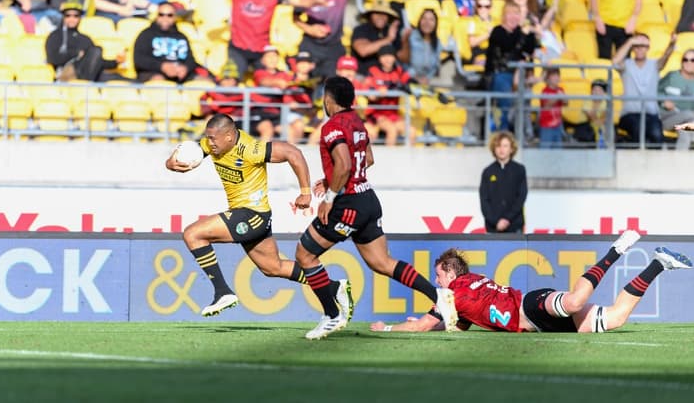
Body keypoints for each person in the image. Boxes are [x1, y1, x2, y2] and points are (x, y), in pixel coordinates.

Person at [294, 76, 440, 340]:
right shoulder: (357, 123)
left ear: (328, 99)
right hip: (368, 199)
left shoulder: (332, 127)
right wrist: (331, 178)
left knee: (305, 254)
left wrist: (329, 195)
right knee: (381, 262)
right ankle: (438, 296)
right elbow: (367, 159)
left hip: (347, 203)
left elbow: (346, 165)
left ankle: (331, 314)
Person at [165, 112, 332, 317]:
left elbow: (292, 152)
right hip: (251, 216)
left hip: (251, 215)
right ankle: (332, 287)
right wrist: (170, 163)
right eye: (207, 138)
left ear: (228, 136)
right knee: (273, 268)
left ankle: (222, 292)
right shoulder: (213, 145)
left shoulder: (251, 149)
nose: (209, 143)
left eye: (212, 139)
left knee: (193, 234)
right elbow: (184, 155)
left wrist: (305, 192)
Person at [369, 233, 692, 333]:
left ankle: (615, 250)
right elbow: (449, 323)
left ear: (451, 274)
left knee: (575, 303)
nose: (435, 280)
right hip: (539, 324)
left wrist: (386, 328)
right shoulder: (468, 285)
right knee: (616, 318)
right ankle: (658, 264)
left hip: (530, 304)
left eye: (438, 274)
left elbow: (428, 324)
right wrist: (427, 321)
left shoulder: (454, 292)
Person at [206, 0, 319, 78]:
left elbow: (299, 1)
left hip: (261, 50)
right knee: (231, 80)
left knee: (267, 82)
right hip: (238, 47)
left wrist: (319, 1)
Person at [612, 32, 675, 148]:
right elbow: (615, 61)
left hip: (651, 114)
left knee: (656, 135)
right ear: (633, 48)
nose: (640, 49)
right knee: (638, 129)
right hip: (629, 114)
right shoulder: (626, 64)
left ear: (648, 48)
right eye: (637, 45)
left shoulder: (654, 64)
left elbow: (665, 57)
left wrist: (672, 44)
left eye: (643, 45)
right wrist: (630, 41)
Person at [484, 0, 538, 131]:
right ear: (504, 15)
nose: (513, 17)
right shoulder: (498, 32)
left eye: (516, 13)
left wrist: (530, 31)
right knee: (504, 105)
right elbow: (507, 50)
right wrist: (522, 37)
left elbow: (530, 51)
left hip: (520, 76)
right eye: (510, 13)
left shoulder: (523, 33)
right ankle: (502, 130)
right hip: (500, 74)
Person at [45, 0, 122, 82]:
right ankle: (86, 86)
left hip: (87, 72)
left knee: (115, 77)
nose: (72, 19)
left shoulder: (85, 39)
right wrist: (76, 53)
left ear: (80, 17)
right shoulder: (55, 36)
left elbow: (96, 61)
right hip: (66, 73)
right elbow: (53, 58)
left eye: (76, 16)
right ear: (63, 17)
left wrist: (115, 62)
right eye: (68, 15)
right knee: (96, 51)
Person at [133, 2, 211, 83]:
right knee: (159, 81)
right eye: (161, 14)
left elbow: (190, 60)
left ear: (174, 17)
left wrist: (185, 68)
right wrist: (162, 66)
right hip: (153, 72)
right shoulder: (146, 34)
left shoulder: (181, 37)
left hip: (180, 74)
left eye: (169, 15)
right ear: (156, 16)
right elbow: (139, 60)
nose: (165, 18)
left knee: (205, 82)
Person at [479, 131, 527, 233]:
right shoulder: (487, 172)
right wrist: (496, 221)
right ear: (494, 148)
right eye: (498, 146)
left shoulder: (519, 170)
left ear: (511, 148)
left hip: (515, 226)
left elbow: (521, 197)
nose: (502, 149)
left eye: (505, 146)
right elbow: (484, 201)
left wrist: (507, 219)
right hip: (493, 228)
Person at [365, 44, 413, 146]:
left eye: (390, 56)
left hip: (393, 115)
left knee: (412, 132)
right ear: (379, 58)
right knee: (392, 130)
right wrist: (379, 93)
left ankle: (408, 160)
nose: (387, 59)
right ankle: (389, 161)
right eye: (384, 56)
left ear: (394, 57)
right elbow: (370, 96)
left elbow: (412, 84)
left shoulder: (399, 71)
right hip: (376, 114)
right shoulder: (373, 71)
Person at [350, 0, 401, 75]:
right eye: (377, 13)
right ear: (370, 15)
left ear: (389, 17)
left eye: (384, 13)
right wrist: (389, 39)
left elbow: (402, 57)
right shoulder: (361, 29)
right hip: (364, 77)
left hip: (387, 78)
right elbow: (363, 51)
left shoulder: (391, 31)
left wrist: (406, 38)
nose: (380, 16)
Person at [658, 49, 694, 150]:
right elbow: (654, 90)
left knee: (685, 131)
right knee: (690, 115)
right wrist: (663, 102)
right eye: (685, 59)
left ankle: (679, 161)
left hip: (685, 122)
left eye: (692, 60)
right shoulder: (672, 76)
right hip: (666, 118)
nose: (688, 62)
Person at [398, 8, 444, 84]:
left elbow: (435, 65)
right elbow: (402, 61)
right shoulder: (410, 35)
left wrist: (427, 78)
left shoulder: (438, 42)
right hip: (406, 79)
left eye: (431, 20)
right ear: (419, 21)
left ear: (436, 24)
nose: (427, 22)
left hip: (425, 82)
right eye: (424, 18)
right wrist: (414, 77)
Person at [538, 67, 566, 148]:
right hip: (546, 126)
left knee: (557, 150)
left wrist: (562, 97)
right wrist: (557, 96)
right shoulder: (545, 91)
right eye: (553, 75)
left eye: (558, 75)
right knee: (545, 150)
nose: (557, 77)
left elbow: (566, 102)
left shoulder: (560, 89)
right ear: (548, 79)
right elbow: (546, 105)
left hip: (558, 125)